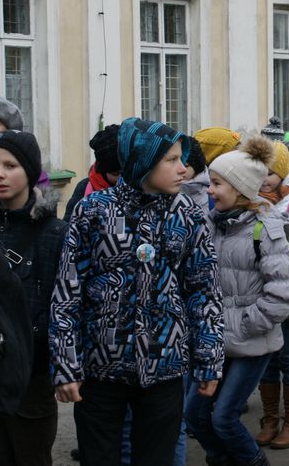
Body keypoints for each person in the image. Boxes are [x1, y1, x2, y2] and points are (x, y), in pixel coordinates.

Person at [51, 117, 224, 466]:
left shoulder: (187, 215)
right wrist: (66, 364)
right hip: (101, 368)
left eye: (181, 159)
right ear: (143, 161)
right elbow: (68, 291)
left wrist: (209, 359)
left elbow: (203, 291)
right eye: (171, 160)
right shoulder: (94, 210)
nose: (183, 168)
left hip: (164, 366)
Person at [185, 136, 289, 466]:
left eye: (217, 183)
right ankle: (223, 459)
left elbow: (283, 294)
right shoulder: (211, 224)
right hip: (215, 342)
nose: (209, 190)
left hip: (252, 342)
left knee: (224, 417)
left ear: (240, 189)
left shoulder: (265, 230)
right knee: (194, 414)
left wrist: (244, 324)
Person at [0, 130, 67, 465]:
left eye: (10, 166)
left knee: (32, 456)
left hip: (32, 374)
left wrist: (62, 366)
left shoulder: (54, 232)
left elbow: (62, 303)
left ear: (29, 170)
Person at [253, 141, 289, 449]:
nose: (264, 180)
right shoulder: (249, 203)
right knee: (266, 360)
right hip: (258, 297)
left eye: (270, 173)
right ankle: (270, 419)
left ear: (282, 174)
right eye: (259, 172)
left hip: (288, 300)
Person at [63, 124, 120, 221]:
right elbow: (68, 225)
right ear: (102, 171)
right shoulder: (84, 188)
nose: (122, 179)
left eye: (126, 172)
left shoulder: (139, 187)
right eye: (116, 174)